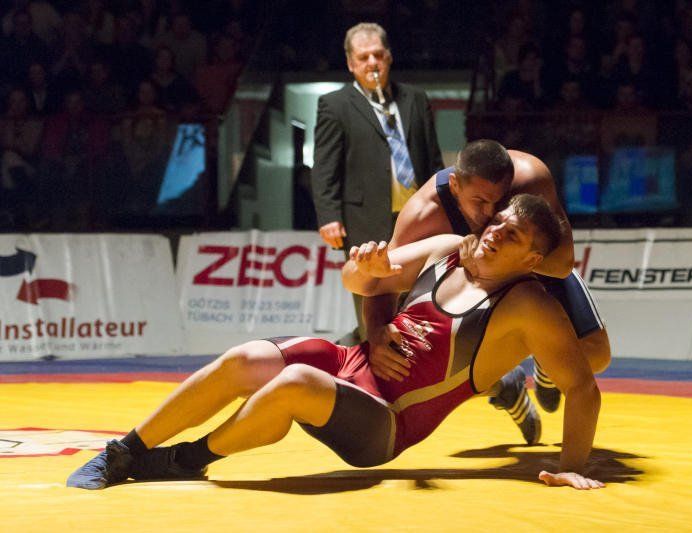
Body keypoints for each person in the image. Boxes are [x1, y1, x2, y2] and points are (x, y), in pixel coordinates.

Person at [66, 193, 603, 491]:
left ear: (532, 258)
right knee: (243, 359)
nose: (495, 232)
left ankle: (184, 460)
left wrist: (573, 465)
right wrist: (365, 268)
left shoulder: (528, 305)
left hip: (385, 422)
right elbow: (357, 282)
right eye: (499, 221)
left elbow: (582, 386)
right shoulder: (446, 247)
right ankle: (125, 451)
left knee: (296, 382)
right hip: (351, 363)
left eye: (512, 235)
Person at [363, 140, 611, 445]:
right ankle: (506, 387)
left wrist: (488, 249)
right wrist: (376, 331)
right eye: (479, 201)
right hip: (467, 287)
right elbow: (383, 278)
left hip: (533, 269)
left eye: (501, 202)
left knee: (597, 354)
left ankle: (545, 364)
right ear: (455, 186)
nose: (491, 212)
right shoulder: (423, 214)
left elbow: (561, 264)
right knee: (414, 361)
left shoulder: (531, 176)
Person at [311, 22, 442, 343]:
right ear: (351, 64)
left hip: (419, 216)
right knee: (370, 301)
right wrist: (329, 216)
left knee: (419, 298)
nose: (372, 63)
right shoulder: (335, 105)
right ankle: (362, 353)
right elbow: (325, 167)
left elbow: (433, 160)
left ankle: (408, 358)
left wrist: (445, 207)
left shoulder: (415, 99)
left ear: (389, 57)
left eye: (378, 55)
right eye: (363, 57)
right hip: (364, 218)